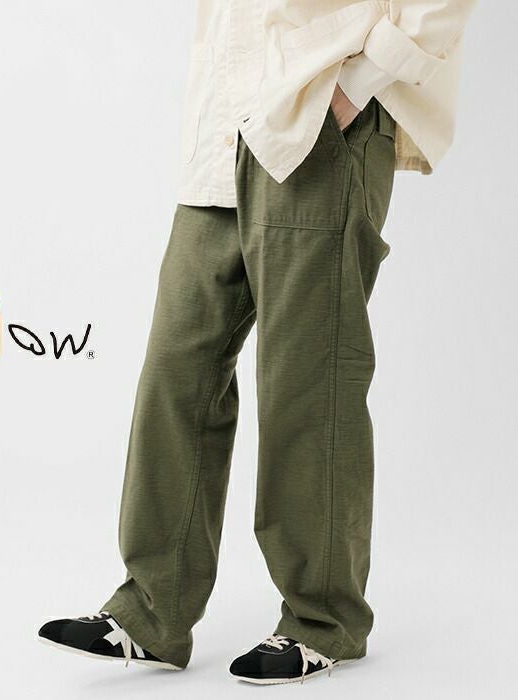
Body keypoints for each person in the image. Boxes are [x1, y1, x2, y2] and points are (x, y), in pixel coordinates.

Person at [38, 0, 476, 685]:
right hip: (225, 121)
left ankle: (322, 620)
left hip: (318, 108)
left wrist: (358, 84)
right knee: (177, 368)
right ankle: (151, 611)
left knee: (307, 373)